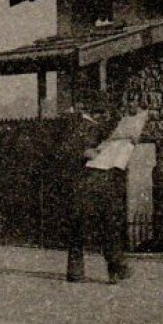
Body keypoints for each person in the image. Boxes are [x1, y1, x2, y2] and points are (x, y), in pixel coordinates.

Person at [65, 97, 136, 284]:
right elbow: (87, 152)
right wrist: (106, 151)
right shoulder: (89, 127)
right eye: (105, 114)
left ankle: (75, 272)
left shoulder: (76, 125)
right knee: (109, 225)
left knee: (78, 228)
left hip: (80, 185)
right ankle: (116, 269)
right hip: (96, 182)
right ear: (99, 113)